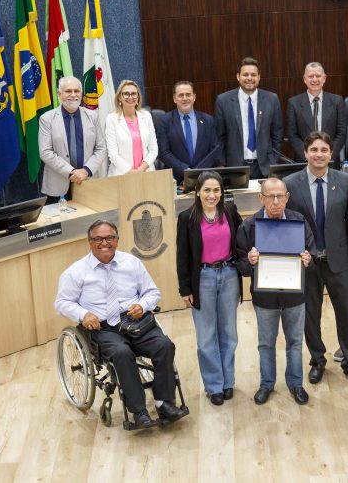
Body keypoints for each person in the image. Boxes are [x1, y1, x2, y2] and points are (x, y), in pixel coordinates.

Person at [55, 220, 185, 428]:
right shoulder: (75, 272)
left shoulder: (131, 263)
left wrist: (142, 305)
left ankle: (163, 403)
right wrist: (83, 314)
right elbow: (61, 303)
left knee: (165, 346)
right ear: (89, 242)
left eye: (109, 238)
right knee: (122, 353)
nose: (104, 242)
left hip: (135, 321)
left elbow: (152, 292)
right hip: (102, 327)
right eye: (98, 239)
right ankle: (139, 411)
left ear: (117, 240)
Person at [283, 132, 348, 385]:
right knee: (311, 314)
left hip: (339, 259)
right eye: (314, 150)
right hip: (307, 262)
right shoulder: (290, 182)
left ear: (331, 154)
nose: (319, 154)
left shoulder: (344, 181)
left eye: (324, 150)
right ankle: (317, 360)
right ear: (305, 153)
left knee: (346, 312)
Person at [235, 177, 315, 405]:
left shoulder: (299, 222)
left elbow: (313, 254)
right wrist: (249, 261)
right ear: (261, 198)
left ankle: (296, 383)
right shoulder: (249, 226)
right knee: (266, 343)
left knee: (295, 341)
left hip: (294, 295)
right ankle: (267, 384)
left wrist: (308, 259)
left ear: (287, 197)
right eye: (271, 196)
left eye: (281, 196)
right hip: (265, 297)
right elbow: (240, 265)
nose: (276, 201)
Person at [175, 171, 242, 406]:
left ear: (222, 192)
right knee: (206, 336)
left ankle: (228, 382)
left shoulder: (231, 212)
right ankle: (214, 385)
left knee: (229, 333)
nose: (212, 195)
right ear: (198, 192)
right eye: (207, 190)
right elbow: (182, 256)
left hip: (229, 274)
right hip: (202, 278)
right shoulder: (187, 218)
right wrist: (185, 289)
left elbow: (242, 242)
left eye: (216, 190)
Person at [38, 76, 106, 202]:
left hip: (88, 181)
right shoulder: (46, 119)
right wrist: (71, 172)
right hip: (57, 186)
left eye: (77, 91)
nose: (73, 95)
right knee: (60, 221)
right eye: (68, 91)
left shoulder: (93, 116)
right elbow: (45, 152)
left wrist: (86, 171)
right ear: (59, 94)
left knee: (89, 220)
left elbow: (101, 148)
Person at [215, 57, 284, 178]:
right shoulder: (223, 100)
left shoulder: (271, 99)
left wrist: (273, 160)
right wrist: (222, 164)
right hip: (235, 168)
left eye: (253, 74)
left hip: (264, 167)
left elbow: (277, 134)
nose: (249, 78)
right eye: (245, 74)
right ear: (238, 76)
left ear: (259, 77)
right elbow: (219, 136)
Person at [157, 81, 222, 182]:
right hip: (176, 178)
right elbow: (164, 152)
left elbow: (215, 149)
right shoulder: (165, 121)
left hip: (204, 178)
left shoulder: (208, 120)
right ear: (174, 99)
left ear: (194, 97)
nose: (185, 98)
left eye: (188, 94)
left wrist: (198, 172)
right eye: (181, 95)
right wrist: (185, 170)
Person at [286, 62, 346, 163]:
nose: (314, 79)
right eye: (310, 76)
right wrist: (307, 156)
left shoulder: (337, 101)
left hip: (330, 161)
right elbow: (292, 135)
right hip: (304, 162)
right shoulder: (293, 103)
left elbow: (341, 133)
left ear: (324, 78)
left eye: (318, 76)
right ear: (305, 79)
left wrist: (329, 155)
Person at [105, 80, 158, 176]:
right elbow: (113, 154)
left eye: (134, 94)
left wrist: (140, 170)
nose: (130, 97)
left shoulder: (146, 116)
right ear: (120, 97)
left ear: (138, 97)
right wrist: (131, 172)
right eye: (126, 94)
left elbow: (153, 149)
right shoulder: (111, 119)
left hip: (146, 172)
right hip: (122, 174)